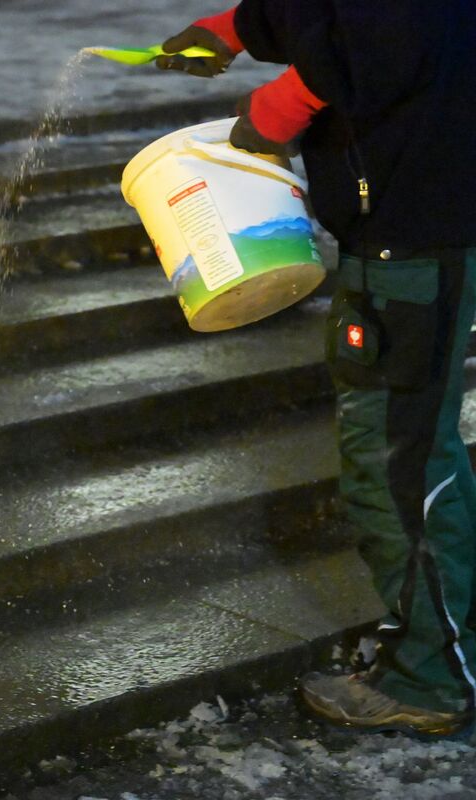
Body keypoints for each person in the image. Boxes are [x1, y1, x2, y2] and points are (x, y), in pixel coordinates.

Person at [157, 1, 476, 737]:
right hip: (418, 226)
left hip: (413, 236)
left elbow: (392, 31)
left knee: (397, 464)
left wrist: (282, 105)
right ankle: (449, 643)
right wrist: (239, 25)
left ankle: (429, 678)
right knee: (419, 449)